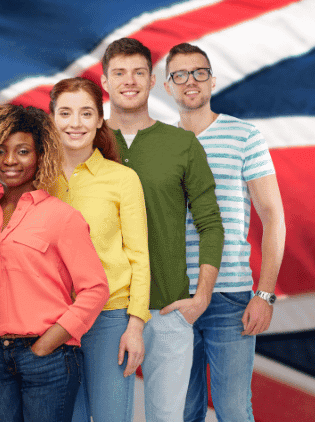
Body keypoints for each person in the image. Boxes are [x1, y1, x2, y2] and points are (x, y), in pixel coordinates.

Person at [0, 103, 110, 422]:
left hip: (48, 356)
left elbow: (95, 289)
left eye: (23, 151)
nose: (10, 160)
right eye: (0, 151)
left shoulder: (62, 216)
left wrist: (48, 343)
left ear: (40, 155)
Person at [101, 38, 224, 422]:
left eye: (139, 72)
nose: (129, 81)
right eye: (119, 73)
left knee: (167, 418)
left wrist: (200, 298)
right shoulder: (85, 141)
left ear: (153, 80)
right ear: (105, 81)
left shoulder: (182, 144)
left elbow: (210, 224)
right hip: (105, 309)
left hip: (169, 307)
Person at [162, 43, 286, 422]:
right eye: (179, 74)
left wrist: (264, 295)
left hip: (231, 297)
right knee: (183, 411)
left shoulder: (244, 136)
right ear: (167, 87)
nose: (190, 81)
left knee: (233, 410)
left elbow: (273, 215)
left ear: (212, 80)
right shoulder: (158, 144)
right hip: (172, 300)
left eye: (199, 72)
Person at [47, 78, 150, 422]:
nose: (75, 123)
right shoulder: (36, 180)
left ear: (99, 120)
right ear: (51, 119)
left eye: (85, 113)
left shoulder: (122, 179)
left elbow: (139, 256)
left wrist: (134, 326)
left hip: (110, 320)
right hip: (54, 322)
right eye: (65, 113)